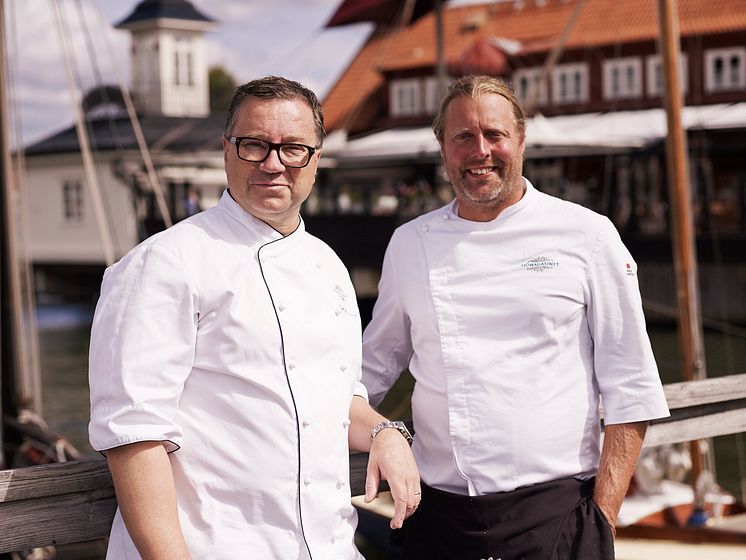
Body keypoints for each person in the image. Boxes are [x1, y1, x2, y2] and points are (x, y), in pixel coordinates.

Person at [88, 76, 419, 560]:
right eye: (254, 145)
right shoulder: (162, 263)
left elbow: (338, 396)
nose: (273, 163)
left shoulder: (327, 264)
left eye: (292, 149)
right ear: (227, 150)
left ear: (315, 159)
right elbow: (133, 436)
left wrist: (384, 431)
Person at [361, 75, 670, 559]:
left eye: (495, 135)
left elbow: (632, 385)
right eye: (463, 136)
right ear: (443, 148)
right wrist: (369, 430)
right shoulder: (410, 243)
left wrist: (602, 521)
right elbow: (372, 368)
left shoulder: (587, 235)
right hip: (437, 517)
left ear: (521, 140)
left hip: (557, 513)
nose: (480, 150)